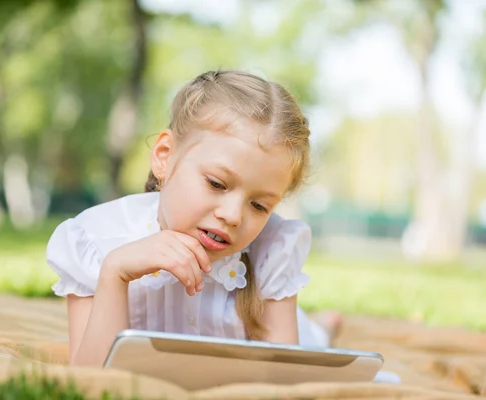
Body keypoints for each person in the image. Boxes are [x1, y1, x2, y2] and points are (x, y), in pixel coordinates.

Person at [46, 69, 341, 368]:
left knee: (313, 342)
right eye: (216, 184)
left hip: (299, 336)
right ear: (164, 156)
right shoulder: (97, 241)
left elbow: (282, 374)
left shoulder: (271, 249)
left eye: (259, 206)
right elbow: (88, 379)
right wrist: (114, 273)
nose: (233, 215)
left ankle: (322, 327)